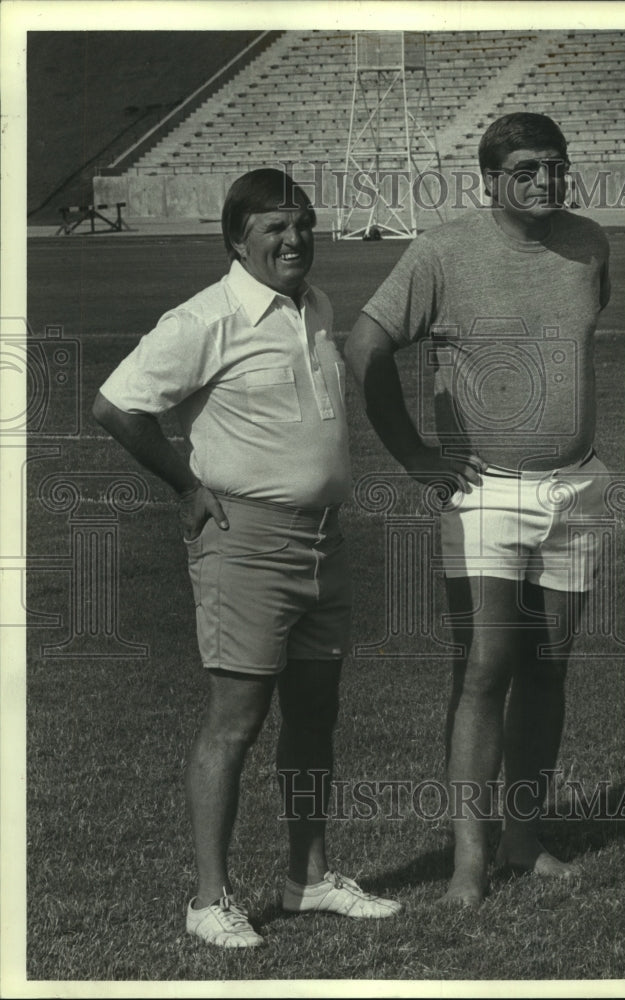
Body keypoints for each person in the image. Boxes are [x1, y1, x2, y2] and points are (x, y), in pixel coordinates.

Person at [93, 168, 401, 948]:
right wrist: (186, 488)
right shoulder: (205, 318)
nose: (294, 239)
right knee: (236, 722)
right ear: (237, 239)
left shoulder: (315, 306)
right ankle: (209, 899)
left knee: (316, 715)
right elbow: (116, 404)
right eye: (274, 228)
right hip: (245, 543)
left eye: (303, 224)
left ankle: (309, 879)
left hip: (324, 540)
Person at [345, 113, 612, 906]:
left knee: (548, 667)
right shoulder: (442, 251)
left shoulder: (590, 244)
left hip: (575, 487)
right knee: (486, 667)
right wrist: (413, 454)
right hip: (484, 491)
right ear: (491, 180)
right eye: (525, 170)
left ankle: (524, 839)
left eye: (555, 166)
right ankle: (469, 860)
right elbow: (364, 346)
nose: (545, 181)